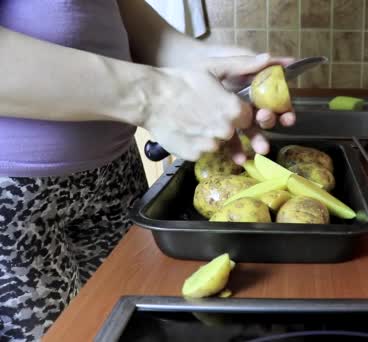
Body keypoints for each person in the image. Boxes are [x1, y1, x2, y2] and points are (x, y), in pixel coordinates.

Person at [0, 1, 296, 340]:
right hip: (13, 205)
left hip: (116, 180)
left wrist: (206, 67)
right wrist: (154, 95)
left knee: (136, 333)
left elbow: (116, 14)